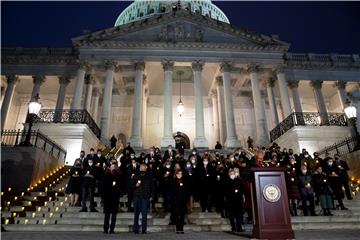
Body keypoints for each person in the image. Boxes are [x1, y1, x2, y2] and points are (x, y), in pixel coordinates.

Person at [102, 158, 124, 234]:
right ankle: (105, 229)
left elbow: (121, 185)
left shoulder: (118, 176)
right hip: (108, 197)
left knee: (114, 215)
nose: (113, 168)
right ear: (110, 168)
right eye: (112, 167)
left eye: (114, 167)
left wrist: (118, 190)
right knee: (107, 215)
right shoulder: (106, 175)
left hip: (115, 197)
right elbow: (103, 186)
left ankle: (112, 229)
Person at [132, 164, 154, 234]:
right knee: (136, 214)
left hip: (145, 197)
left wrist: (152, 196)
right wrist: (135, 185)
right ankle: (136, 229)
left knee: (144, 214)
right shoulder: (135, 175)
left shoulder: (149, 176)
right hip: (137, 197)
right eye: (141, 167)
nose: (142, 168)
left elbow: (152, 187)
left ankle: (144, 229)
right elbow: (131, 186)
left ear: (146, 168)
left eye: (143, 167)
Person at [225, 168, 244, 232]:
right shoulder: (227, 181)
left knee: (238, 214)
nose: (232, 175)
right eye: (231, 174)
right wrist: (234, 191)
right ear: (229, 174)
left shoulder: (238, 180)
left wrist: (238, 192)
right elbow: (226, 191)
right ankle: (233, 226)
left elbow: (241, 189)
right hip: (230, 200)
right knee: (231, 215)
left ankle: (239, 227)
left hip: (238, 200)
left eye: (233, 174)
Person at [171, 170, 189, 234]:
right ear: (176, 174)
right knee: (176, 215)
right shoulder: (173, 181)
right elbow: (172, 191)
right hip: (175, 201)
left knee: (182, 215)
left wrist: (186, 199)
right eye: (178, 174)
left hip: (182, 201)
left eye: (181, 174)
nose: (180, 175)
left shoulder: (185, 181)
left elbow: (186, 191)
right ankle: (177, 228)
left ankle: (181, 228)